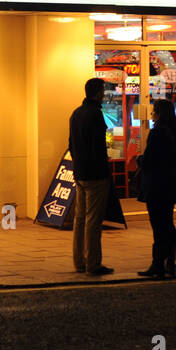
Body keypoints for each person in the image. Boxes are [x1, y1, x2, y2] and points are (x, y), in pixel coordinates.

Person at [69, 77, 112, 276]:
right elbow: (99, 147)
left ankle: (79, 261)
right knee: (93, 221)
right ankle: (93, 263)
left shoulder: (76, 114)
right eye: (103, 90)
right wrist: (104, 171)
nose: (104, 94)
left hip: (80, 173)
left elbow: (71, 145)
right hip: (96, 175)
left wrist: (78, 166)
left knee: (79, 219)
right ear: (97, 92)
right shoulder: (95, 114)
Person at [137, 98, 176, 279]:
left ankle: (157, 263)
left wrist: (139, 160)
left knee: (158, 225)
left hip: (156, 186)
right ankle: (170, 262)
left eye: (154, 111)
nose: (152, 114)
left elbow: (148, 160)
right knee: (168, 223)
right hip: (170, 184)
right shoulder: (175, 133)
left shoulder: (156, 133)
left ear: (159, 113)